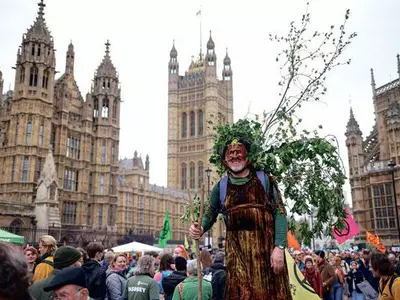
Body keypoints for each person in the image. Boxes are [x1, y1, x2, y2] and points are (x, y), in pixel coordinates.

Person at [189, 135, 292, 300]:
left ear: (248, 156)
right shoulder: (220, 187)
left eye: (239, 153)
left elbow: (280, 212)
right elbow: (209, 213)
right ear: (224, 160)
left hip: (266, 255)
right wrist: (200, 228)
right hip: (236, 257)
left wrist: (279, 247)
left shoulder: (264, 179)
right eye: (230, 154)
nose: (235, 157)